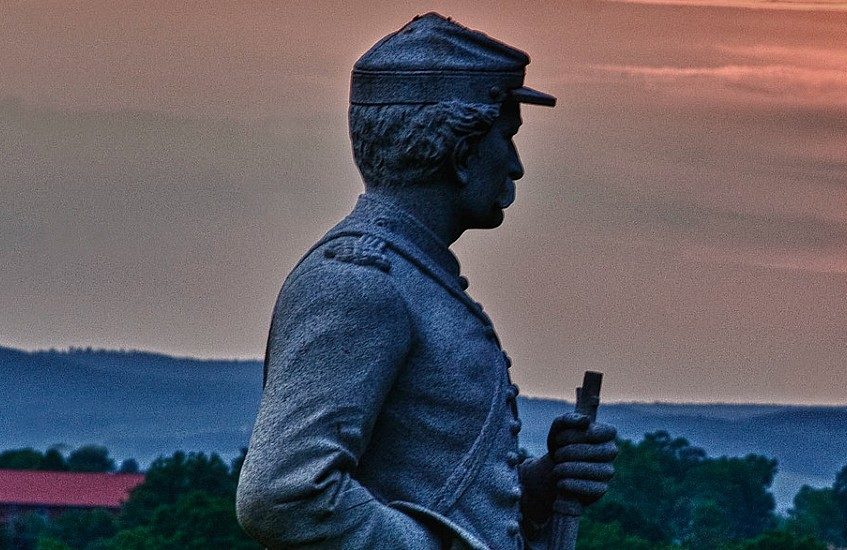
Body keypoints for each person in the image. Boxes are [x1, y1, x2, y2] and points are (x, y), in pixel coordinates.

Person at [235, 13, 617, 549]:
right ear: (461, 151)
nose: (515, 165)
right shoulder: (357, 283)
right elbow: (284, 497)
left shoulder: (407, 276)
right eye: (506, 138)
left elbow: (424, 485)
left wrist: (537, 488)